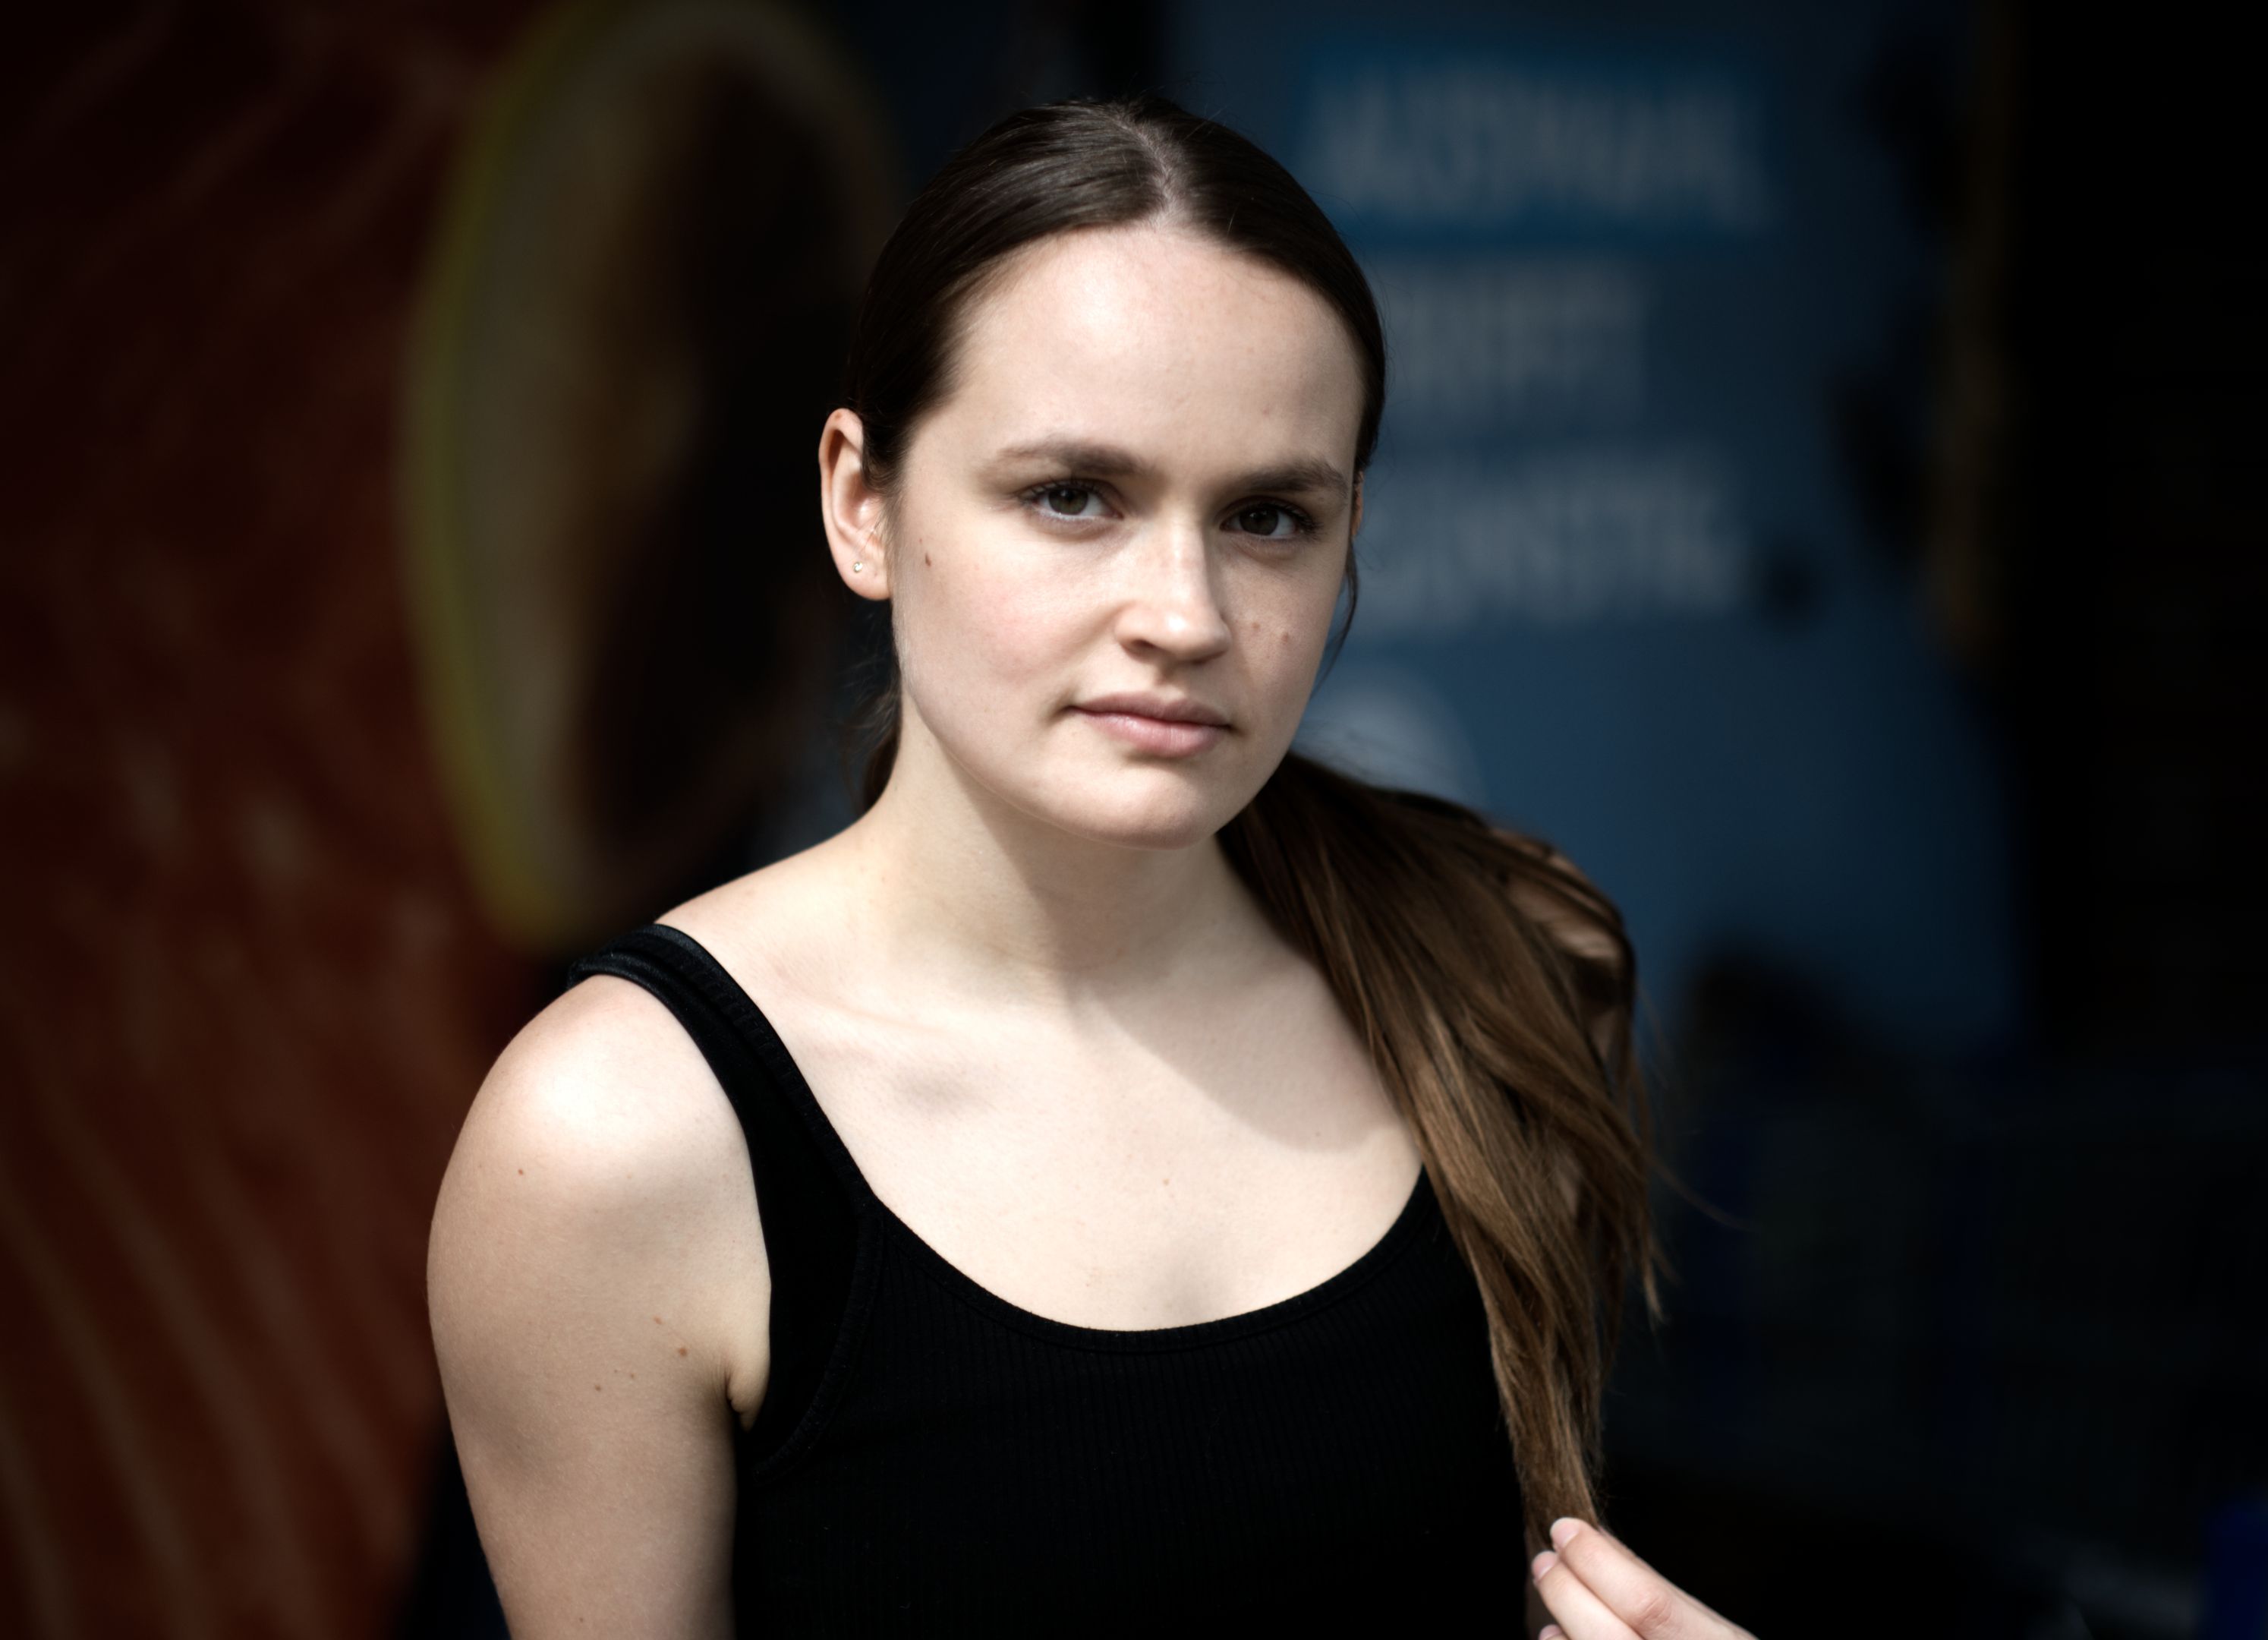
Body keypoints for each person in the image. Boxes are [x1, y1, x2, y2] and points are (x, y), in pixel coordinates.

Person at [428, 94, 1752, 1638]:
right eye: (1073, 496)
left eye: (1268, 517)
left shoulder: (1497, 968)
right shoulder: (622, 1143)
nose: (1184, 614)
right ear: (861, 502)